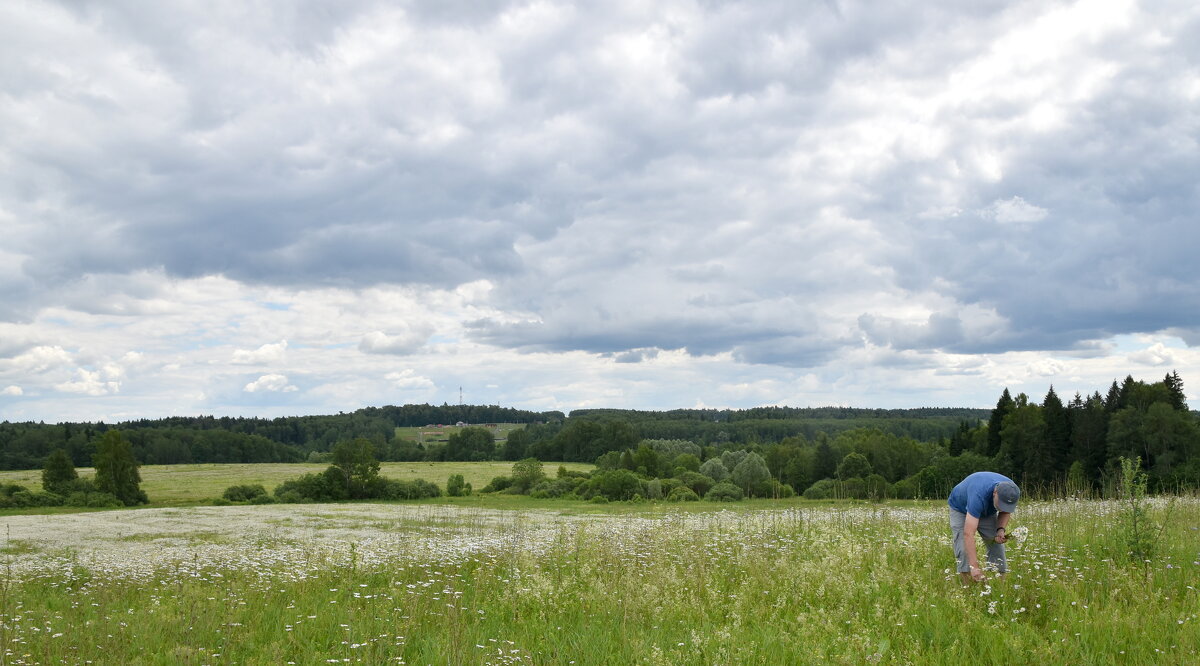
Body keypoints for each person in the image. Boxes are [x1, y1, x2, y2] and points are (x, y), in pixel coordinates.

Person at [948, 471, 1020, 584]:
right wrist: (974, 566)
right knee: (963, 548)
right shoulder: (978, 495)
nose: (1002, 508)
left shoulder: (1012, 491)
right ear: (995, 493)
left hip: (987, 511)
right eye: (1001, 504)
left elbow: (1006, 511)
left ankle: (999, 587)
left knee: (997, 545)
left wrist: (1000, 529)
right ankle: (967, 587)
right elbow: (968, 534)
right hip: (960, 508)